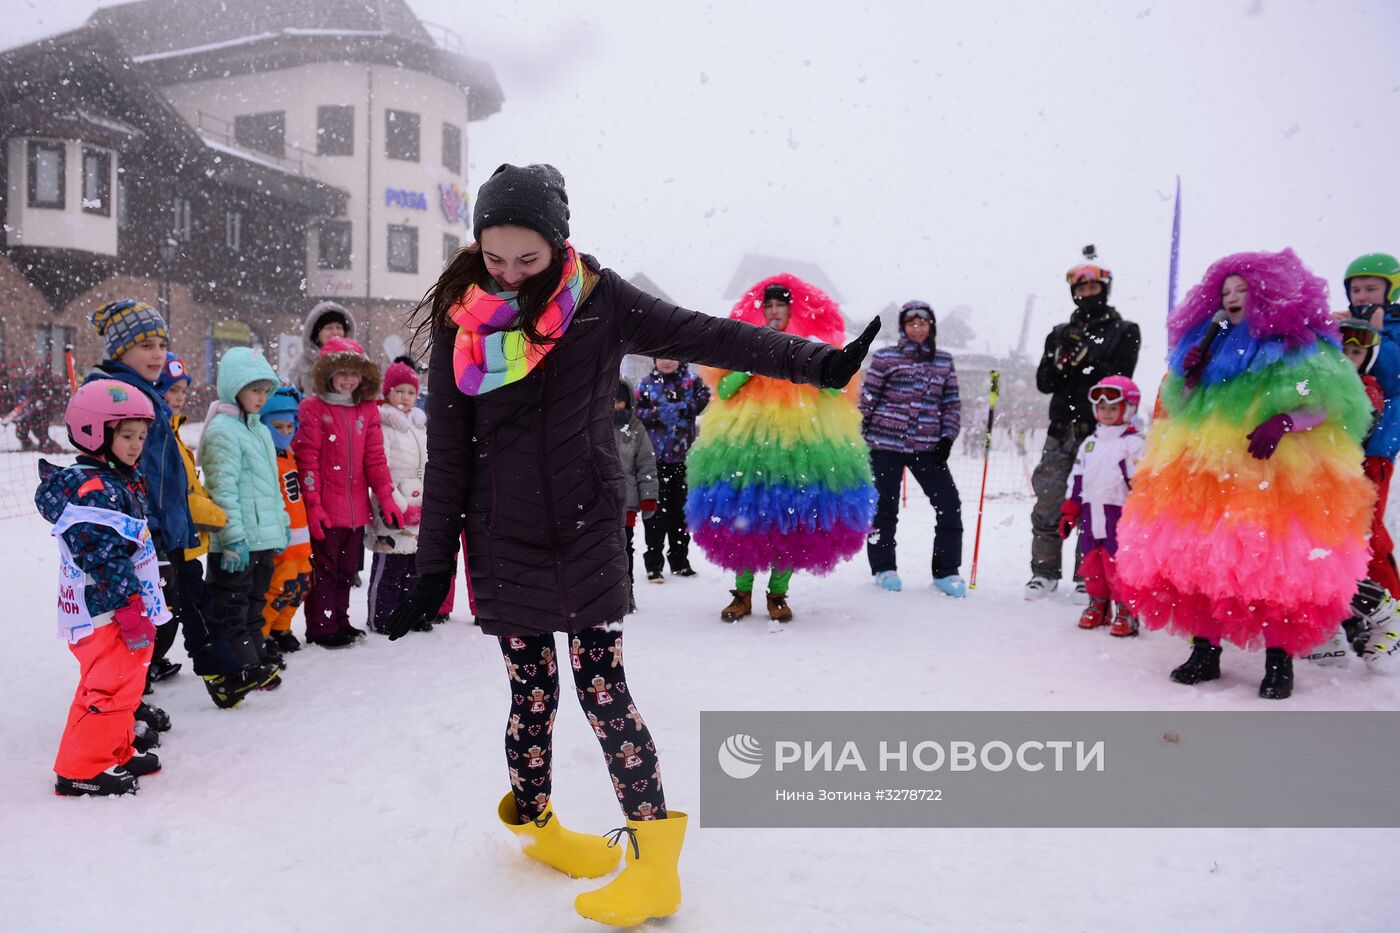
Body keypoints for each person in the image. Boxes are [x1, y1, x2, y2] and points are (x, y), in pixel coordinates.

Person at [380, 163, 877, 927]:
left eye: (528, 260)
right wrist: (432, 564)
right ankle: (541, 826)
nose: (510, 275)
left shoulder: (601, 302)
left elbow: (706, 333)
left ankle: (653, 862)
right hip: (502, 535)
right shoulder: (461, 320)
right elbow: (449, 451)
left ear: (558, 243)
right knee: (531, 693)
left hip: (584, 526)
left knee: (603, 689)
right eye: (495, 257)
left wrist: (815, 362)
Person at [1115, 249, 1374, 699]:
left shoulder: (1296, 350)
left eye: (1242, 290)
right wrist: (1190, 371)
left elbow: (1325, 404)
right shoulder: (1212, 343)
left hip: (1273, 472)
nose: (1232, 298)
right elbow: (1181, 402)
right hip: (1204, 469)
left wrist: (1285, 423)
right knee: (1203, 559)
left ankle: (1278, 660)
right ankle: (1205, 651)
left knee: (1273, 565)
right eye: (1226, 291)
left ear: (1267, 295)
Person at [687, 276, 877, 623]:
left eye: (780, 305)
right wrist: (750, 362)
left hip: (800, 447)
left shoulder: (810, 345)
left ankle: (778, 593)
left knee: (791, 520)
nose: (774, 311)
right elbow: (725, 390)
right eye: (768, 306)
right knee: (744, 518)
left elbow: (834, 390)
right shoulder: (742, 344)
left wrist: (818, 368)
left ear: (792, 309)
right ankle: (741, 593)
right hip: (746, 446)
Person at [36, 379, 170, 796]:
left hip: (122, 605)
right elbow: (102, 554)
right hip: (106, 610)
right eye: (126, 436)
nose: (135, 445)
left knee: (127, 683)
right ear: (95, 433)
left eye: (141, 437)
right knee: (108, 687)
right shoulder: (94, 490)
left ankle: (114, 748)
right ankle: (82, 768)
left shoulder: (115, 481)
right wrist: (128, 606)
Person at [85, 300, 199, 696]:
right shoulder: (115, 395)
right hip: (139, 527)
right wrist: (148, 523)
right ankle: (125, 696)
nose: (157, 354)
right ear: (119, 351)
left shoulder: (148, 393)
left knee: (167, 608)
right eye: (145, 344)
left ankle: (137, 683)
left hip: (162, 524)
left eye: (161, 344)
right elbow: (124, 469)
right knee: (141, 613)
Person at [1027, 248, 1140, 600]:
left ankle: (1086, 573)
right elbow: (1045, 381)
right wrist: (1062, 363)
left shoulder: (1124, 330)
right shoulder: (1060, 332)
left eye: (1093, 287)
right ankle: (1044, 572)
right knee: (1049, 500)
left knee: (1094, 502)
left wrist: (1088, 361)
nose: (1087, 293)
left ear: (1104, 288)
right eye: (1081, 288)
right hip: (1060, 429)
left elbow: (1122, 378)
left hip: (1101, 433)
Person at [292, 337, 403, 648]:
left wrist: (385, 496)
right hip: (326, 508)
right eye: (341, 372)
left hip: (355, 509)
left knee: (346, 570)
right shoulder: (313, 409)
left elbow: (375, 460)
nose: (347, 380)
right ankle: (322, 625)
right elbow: (307, 462)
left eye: (354, 373)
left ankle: (341, 620)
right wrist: (313, 506)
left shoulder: (366, 411)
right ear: (327, 374)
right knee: (324, 572)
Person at [159, 353, 254, 709]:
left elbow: (188, 487)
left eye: (183, 390)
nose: (180, 397)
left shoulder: (172, 431)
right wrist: (215, 515)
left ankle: (222, 672)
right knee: (191, 612)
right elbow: (174, 494)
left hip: (181, 539)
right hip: (172, 539)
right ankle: (221, 676)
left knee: (189, 609)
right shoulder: (159, 436)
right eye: (172, 390)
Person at [858, 299, 965, 597]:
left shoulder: (943, 361)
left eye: (923, 323)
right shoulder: (885, 358)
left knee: (948, 504)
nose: (917, 328)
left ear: (931, 326)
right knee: (883, 509)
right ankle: (883, 567)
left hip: (929, 446)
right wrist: (858, 435)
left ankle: (946, 571)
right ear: (903, 327)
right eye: (911, 323)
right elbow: (867, 399)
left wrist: (947, 438)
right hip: (884, 444)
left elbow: (951, 402)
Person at [199, 347, 290, 690]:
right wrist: (233, 537)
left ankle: (256, 656)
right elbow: (223, 490)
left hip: (262, 539)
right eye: (255, 389)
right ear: (234, 387)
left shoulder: (260, 430)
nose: (261, 397)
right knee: (231, 609)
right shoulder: (223, 430)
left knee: (254, 604)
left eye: (266, 390)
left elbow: (271, 486)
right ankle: (243, 664)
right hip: (237, 544)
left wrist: (280, 523)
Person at [1057, 375, 1145, 635]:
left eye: (1113, 408)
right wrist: (1069, 511)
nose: (1106, 413)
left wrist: (1141, 515)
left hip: (1119, 513)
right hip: (1090, 512)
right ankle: (1098, 604)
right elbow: (1077, 478)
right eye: (1102, 408)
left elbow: (1141, 483)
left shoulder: (1134, 443)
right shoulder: (1090, 443)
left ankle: (1127, 609)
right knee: (1092, 562)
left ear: (1128, 408)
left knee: (1118, 563)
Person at [366, 361, 429, 633]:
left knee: (413, 570)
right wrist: (398, 503)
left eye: (410, 392)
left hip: (418, 504)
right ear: (388, 392)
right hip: (392, 506)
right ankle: (381, 616)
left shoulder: (419, 426)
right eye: (399, 391)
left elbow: (428, 464)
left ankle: (408, 614)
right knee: (389, 568)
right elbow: (383, 468)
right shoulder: (385, 425)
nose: (405, 397)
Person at [635, 358, 708, 581]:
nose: (667, 362)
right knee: (655, 512)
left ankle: (680, 561)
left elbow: (704, 399)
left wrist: (683, 408)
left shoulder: (691, 381)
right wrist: (655, 414)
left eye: (672, 357)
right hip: (654, 459)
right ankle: (653, 564)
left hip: (683, 459)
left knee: (681, 513)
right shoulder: (645, 383)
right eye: (662, 357)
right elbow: (635, 411)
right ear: (655, 360)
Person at [260, 385, 314, 653]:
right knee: (276, 588)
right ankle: (263, 633)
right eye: (277, 427)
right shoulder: (265, 455)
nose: (284, 433)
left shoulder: (289, 453)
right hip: (280, 537)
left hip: (300, 535)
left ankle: (283, 627)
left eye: (289, 427)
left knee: (300, 584)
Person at [614, 379, 658, 611]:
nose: (615, 407)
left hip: (626, 503)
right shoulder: (592, 424)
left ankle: (625, 592)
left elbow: (646, 464)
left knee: (624, 549)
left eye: (619, 402)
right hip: (596, 503)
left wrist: (648, 496)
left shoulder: (635, 428)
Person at [286, 300, 355, 397]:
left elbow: (372, 395)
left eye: (339, 327)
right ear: (317, 334)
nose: (335, 332)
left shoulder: (357, 358)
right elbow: (289, 396)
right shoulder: (302, 362)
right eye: (329, 328)